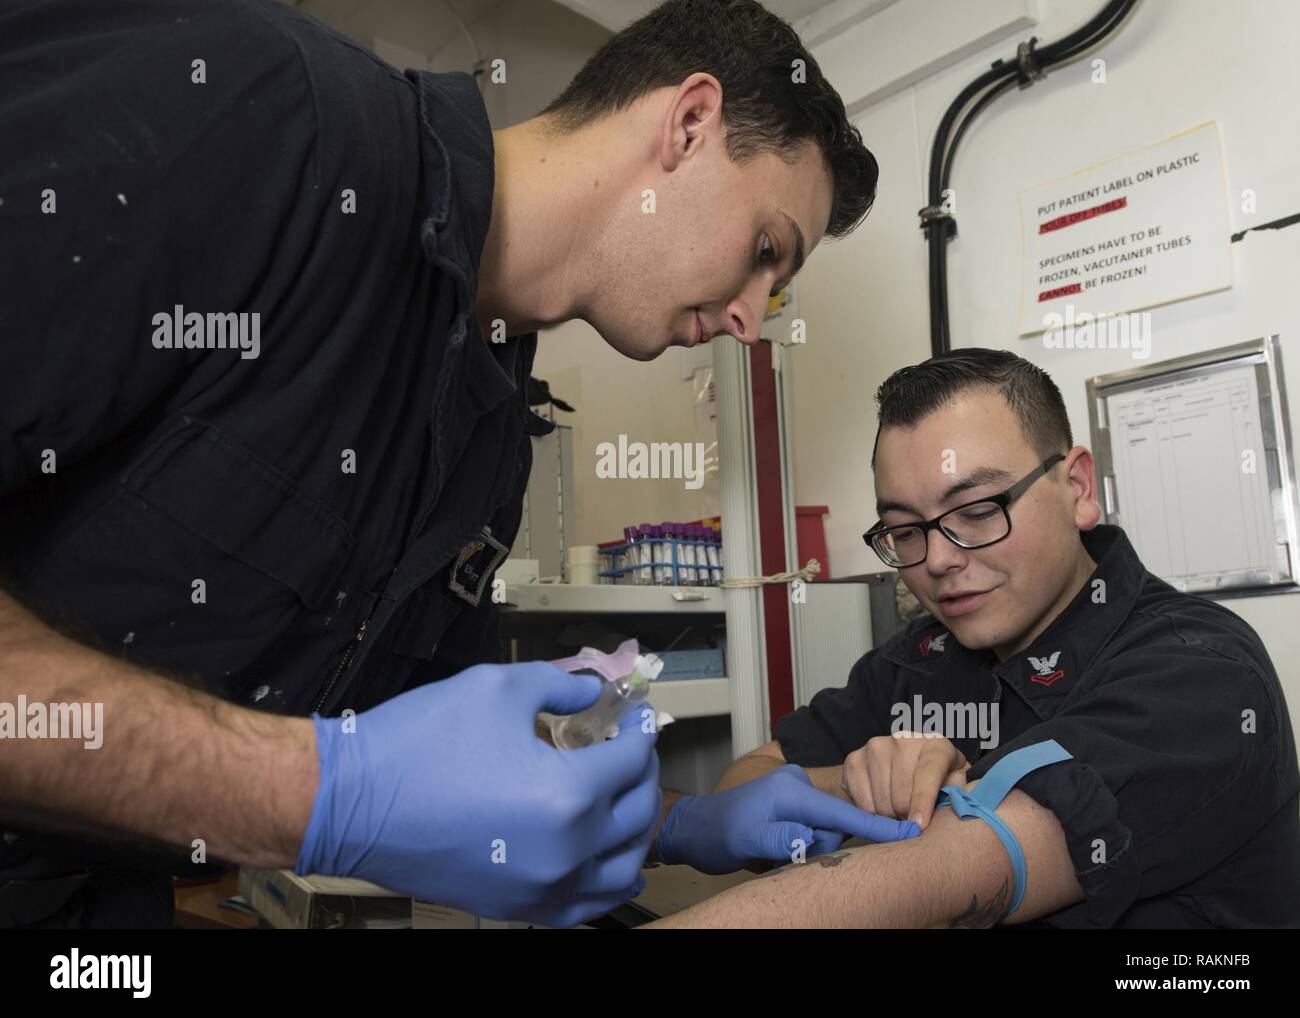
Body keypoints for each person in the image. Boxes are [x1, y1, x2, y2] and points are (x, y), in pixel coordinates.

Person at [0, 0, 901, 927]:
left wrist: (680, 826)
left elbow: (445, 788)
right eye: (763, 252)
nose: (754, 319)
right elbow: (348, 786)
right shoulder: (271, 110)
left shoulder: (488, 441)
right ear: (690, 122)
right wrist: (315, 795)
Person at [648, 349, 1300, 928]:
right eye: (905, 530)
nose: (935, 559)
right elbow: (748, 783)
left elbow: (957, 871)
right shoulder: (923, 659)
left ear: (1075, 488)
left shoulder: (1201, 672)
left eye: (979, 510)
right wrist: (847, 782)